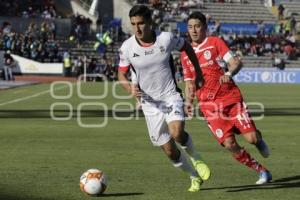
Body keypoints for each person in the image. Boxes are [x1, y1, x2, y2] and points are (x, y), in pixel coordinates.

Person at [118, 5, 210, 192]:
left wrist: (198, 72)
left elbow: (187, 48)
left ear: (150, 22)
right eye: (134, 24)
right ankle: (193, 176)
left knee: (177, 133)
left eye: (141, 23)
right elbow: (121, 75)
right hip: (149, 105)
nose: (137, 28)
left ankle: (196, 158)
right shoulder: (127, 47)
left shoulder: (165, 39)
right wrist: (130, 89)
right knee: (169, 151)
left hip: (170, 96)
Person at [181, 11, 272, 185]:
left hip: (230, 98)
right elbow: (189, 82)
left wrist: (229, 74)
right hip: (209, 106)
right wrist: (188, 102)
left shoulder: (215, 42)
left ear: (205, 28)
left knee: (251, 138)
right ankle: (262, 171)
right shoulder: (185, 54)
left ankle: (258, 140)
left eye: (197, 26)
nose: (193, 30)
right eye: (190, 27)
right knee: (230, 144)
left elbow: (236, 63)